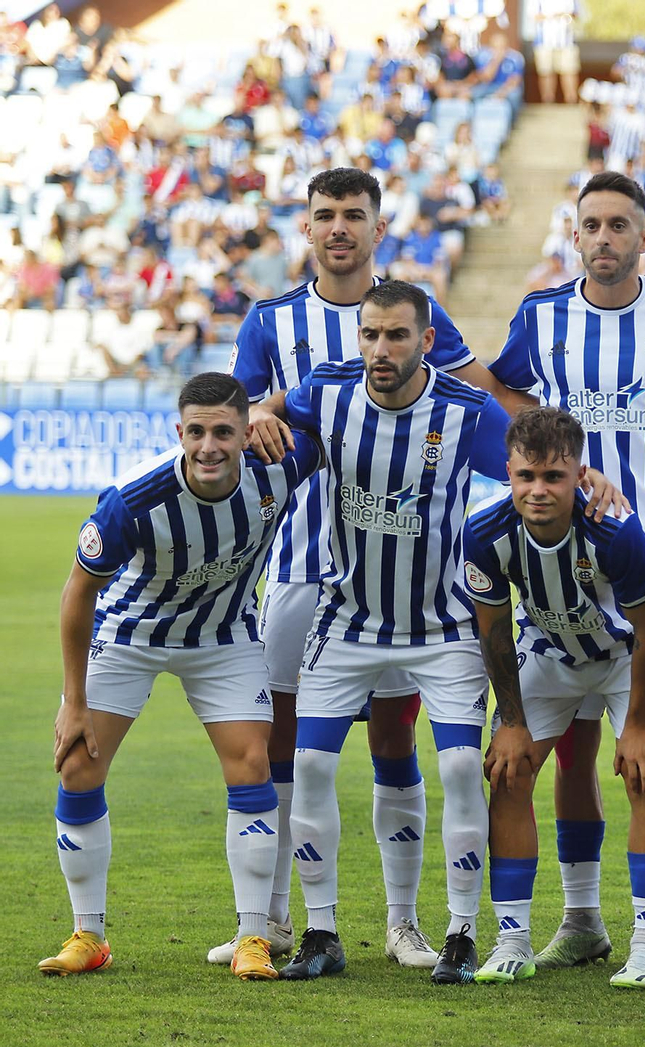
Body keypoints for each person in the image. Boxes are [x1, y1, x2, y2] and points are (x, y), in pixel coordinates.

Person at [224, 167, 514, 974]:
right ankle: (272, 921)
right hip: (299, 566)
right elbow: (243, 414)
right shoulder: (271, 321)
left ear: (378, 228)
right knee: (286, 744)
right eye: (325, 215)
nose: (340, 228)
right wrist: (258, 410)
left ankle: (405, 922)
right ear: (307, 228)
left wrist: (567, 461)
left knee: (397, 736)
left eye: (355, 214)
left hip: (410, 578)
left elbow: (477, 398)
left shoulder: (421, 316)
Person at [486, 170, 645, 971]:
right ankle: (584, 920)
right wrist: (559, 460)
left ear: (644, 238)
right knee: (566, 750)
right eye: (592, 224)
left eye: (621, 225)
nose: (605, 238)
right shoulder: (542, 315)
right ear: (575, 235)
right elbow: (502, 387)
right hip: (561, 567)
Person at [41, 372, 320, 981]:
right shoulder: (132, 502)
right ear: (179, 432)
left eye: (225, 431)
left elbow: (342, 407)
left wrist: (277, 407)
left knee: (252, 765)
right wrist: (75, 700)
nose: (210, 446)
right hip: (131, 637)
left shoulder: (278, 467)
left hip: (224, 638)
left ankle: (253, 937)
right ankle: (88, 933)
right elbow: (77, 593)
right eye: (197, 432)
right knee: (78, 765)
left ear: (248, 432)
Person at [463, 407, 645, 989]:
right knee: (508, 771)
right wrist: (509, 721)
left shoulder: (614, 530)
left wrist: (636, 725)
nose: (538, 490)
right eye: (525, 476)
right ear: (508, 472)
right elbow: (493, 630)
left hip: (625, 658)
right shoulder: (484, 532)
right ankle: (513, 940)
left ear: (578, 474)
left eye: (553, 477)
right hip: (550, 656)